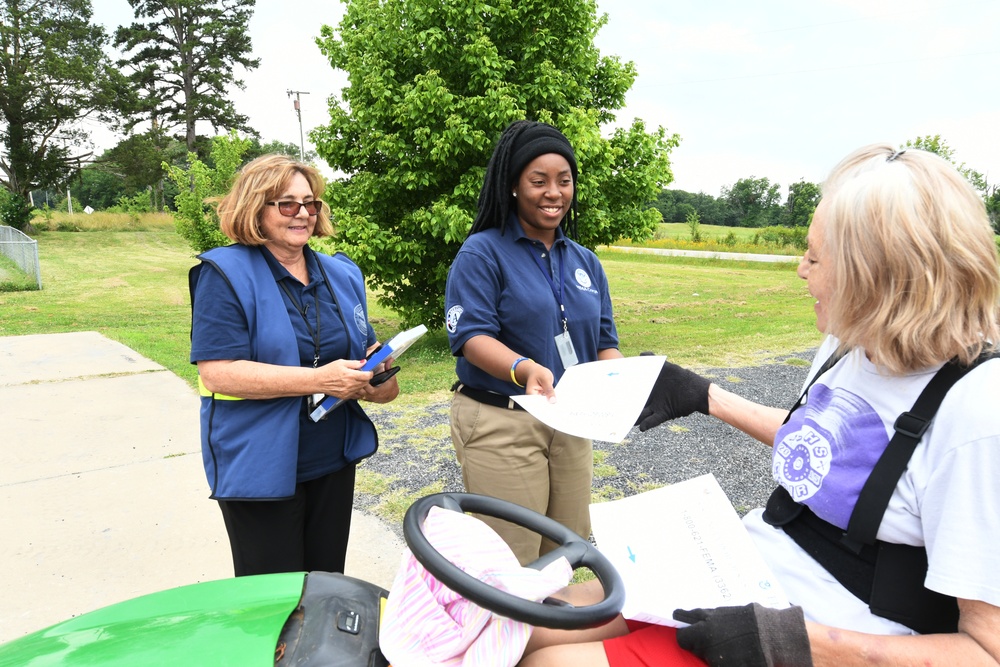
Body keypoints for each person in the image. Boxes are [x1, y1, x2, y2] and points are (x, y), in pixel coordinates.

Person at [518, 144, 1000, 666]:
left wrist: (791, 641)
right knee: (519, 623)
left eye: (815, 257)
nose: (800, 269)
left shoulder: (977, 413)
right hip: (746, 570)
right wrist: (704, 395)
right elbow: (831, 455)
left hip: (825, 626)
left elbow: (985, 649)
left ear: (877, 278)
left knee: (552, 661)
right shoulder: (853, 343)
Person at [188, 154, 399, 577]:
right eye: (287, 204)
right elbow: (218, 371)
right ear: (255, 209)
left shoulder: (340, 274)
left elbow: (370, 369)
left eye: (311, 203)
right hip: (260, 463)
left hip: (331, 460)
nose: (303, 213)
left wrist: (376, 380)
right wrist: (319, 380)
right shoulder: (224, 274)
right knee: (272, 602)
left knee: (324, 587)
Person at [444, 120, 624, 564]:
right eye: (538, 181)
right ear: (512, 186)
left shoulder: (584, 261)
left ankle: (549, 634)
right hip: (502, 420)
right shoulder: (481, 253)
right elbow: (471, 336)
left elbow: (604, 340)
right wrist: (524, 368)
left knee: (566, 552)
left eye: (564, 181)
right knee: (512, 557)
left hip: (570, 422)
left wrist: (621, 379)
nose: (554, 193)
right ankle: (507, 635)